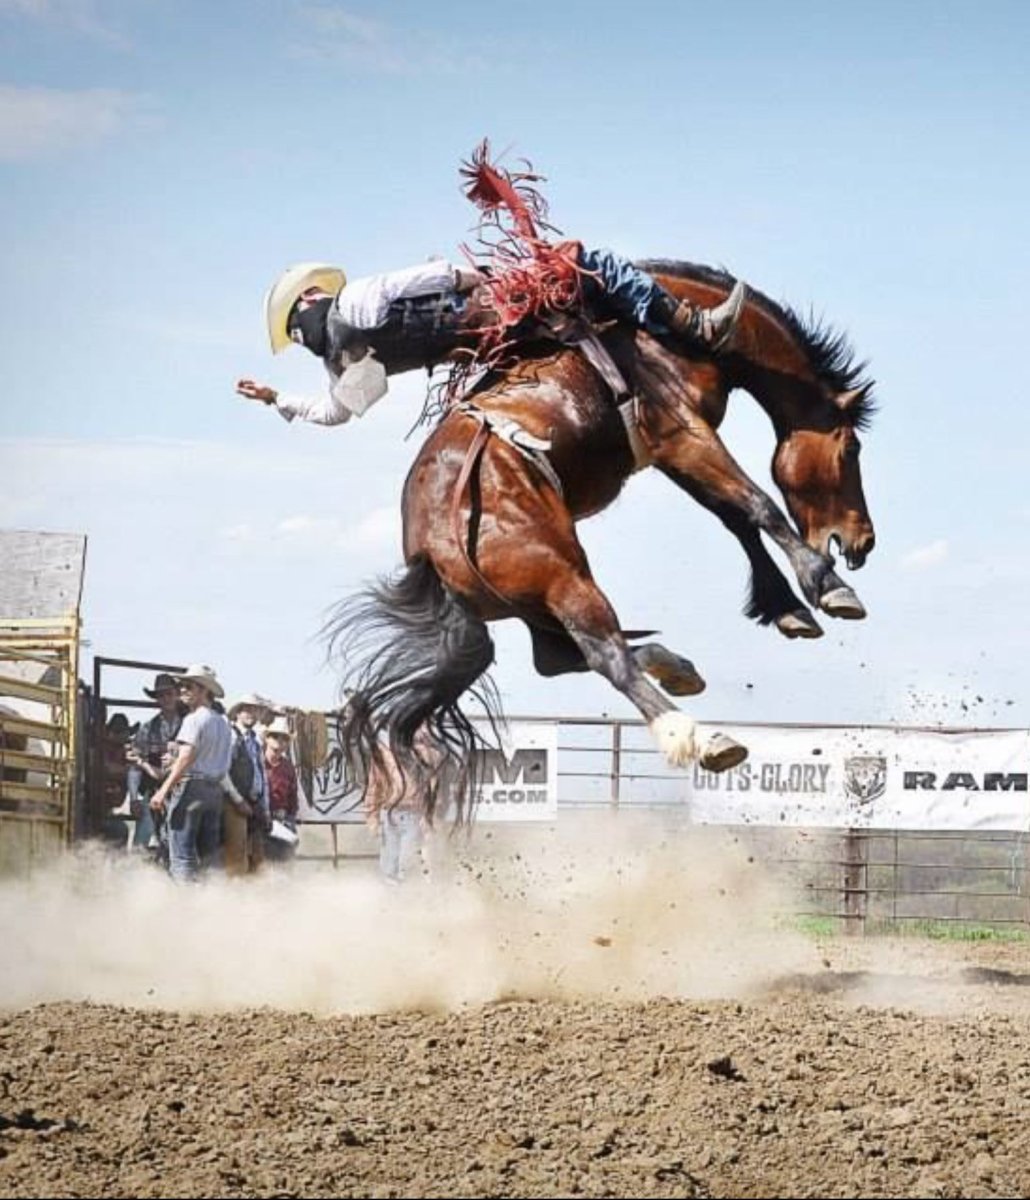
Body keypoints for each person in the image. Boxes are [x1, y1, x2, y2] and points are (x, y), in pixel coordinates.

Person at [236, 252, 744, 428]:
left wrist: (276, 398)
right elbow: (436, 277)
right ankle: (691, 326)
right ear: (310, 297)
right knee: (591, 261)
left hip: (485, 354)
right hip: (501, 311)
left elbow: (338, 413)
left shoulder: (341, 363)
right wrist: (487, 276)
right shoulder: (356, 296)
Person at [149, 664, 232, 883]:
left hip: (192, 788)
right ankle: (213, 898)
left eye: (189, 686)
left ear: (204, 690)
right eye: (183, 686)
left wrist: (163, 790)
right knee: (209, 856)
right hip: (214, 791)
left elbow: (187, 756)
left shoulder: (193, 719)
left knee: (182, 855)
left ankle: (184, 900)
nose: (183, 690)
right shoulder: (223, 724)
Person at [125, 672, 186, 858]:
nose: (166, 698)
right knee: (142, 840)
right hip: (154, 791)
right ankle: (137, 870)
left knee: (181, 842)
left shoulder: (189, 725)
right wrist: (133, 798)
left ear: (176, 695)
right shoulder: (147, 728)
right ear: (157, 699)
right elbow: (134, 764)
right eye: (161, 695)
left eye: (169, 694)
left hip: (184, 792)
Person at [223, 693, 270, 877]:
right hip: (235, 802)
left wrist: (265, 807)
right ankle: (236, 892)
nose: (251, 713)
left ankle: (252, 892)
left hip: (254, 801)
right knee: (237, 853)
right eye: (246, 709)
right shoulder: (231, 737)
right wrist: (237, 799)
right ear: (238, 713)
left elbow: (261, 774)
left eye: (254, 709)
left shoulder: (255, 741)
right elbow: (223, 771)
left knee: (257, 855)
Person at [263, 716, 299, 864]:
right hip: (259, 819)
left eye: (284, 738)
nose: (279, 741)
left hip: (282, 819)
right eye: (275, 736)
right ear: (267, 739)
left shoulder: (288, 767)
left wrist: (290, 816)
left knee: (285, 860)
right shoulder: (257, 761)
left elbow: (293, 795)